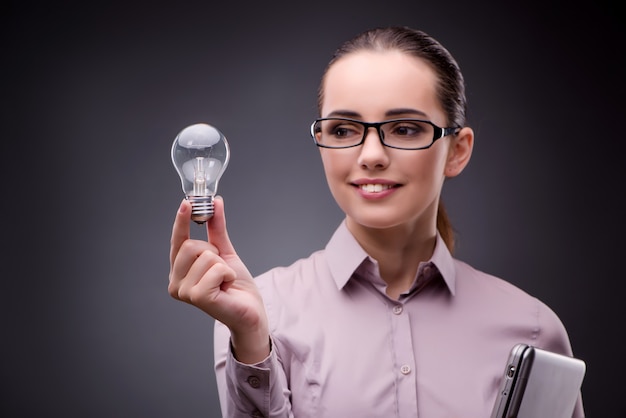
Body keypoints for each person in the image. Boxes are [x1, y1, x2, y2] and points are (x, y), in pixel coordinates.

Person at [168, 26, 584, 417]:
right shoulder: (260, 311)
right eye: (345, 129)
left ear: (457, 150)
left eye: (404, 128)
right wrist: (253, 337)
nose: (370, 155)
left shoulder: (533, 330)